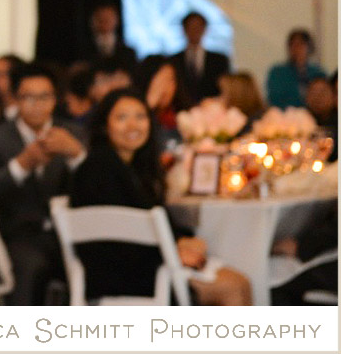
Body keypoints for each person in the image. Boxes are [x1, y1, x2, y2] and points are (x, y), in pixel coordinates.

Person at [71, 89, 252, 305]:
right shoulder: (99, 169)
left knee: (241, 282)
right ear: (104, 125)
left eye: (140, 117)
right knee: (231, 286)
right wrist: (171, 253)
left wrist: (181, 242)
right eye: (122, 118)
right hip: (122, 274)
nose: (133, 126)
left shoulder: (135, 168)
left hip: (146, 262)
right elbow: (113, 241)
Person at [0, 62, 87, 305]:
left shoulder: (73, 134)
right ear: (16, 99)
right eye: (28, 97)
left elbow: (93, 184)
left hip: (71, 233)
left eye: (44, 96)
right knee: (29, 268)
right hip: (19, 235)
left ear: (56, 98)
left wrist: (76, 155)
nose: (37, 104)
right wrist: (21, 164)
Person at [171, 11, 230, 106]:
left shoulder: (219, 60)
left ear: (205, 29)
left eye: (198, 27)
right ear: (184, 29)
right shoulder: (173, 60)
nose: (194, 31)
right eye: (191, 27)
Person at [266, 29, 327, 108]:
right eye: (292, 44)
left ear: (309, 47)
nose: (296, 48)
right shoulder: (277, 72)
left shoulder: (318, 72)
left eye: (300, 44)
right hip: (286, 116)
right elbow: (274, 98)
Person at [81, 3, 137, 71]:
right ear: (93, 21)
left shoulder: (128, 52)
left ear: (116, 20)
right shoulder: (82, 48)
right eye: (100, 18)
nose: (104, 22)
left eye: (108, 18)